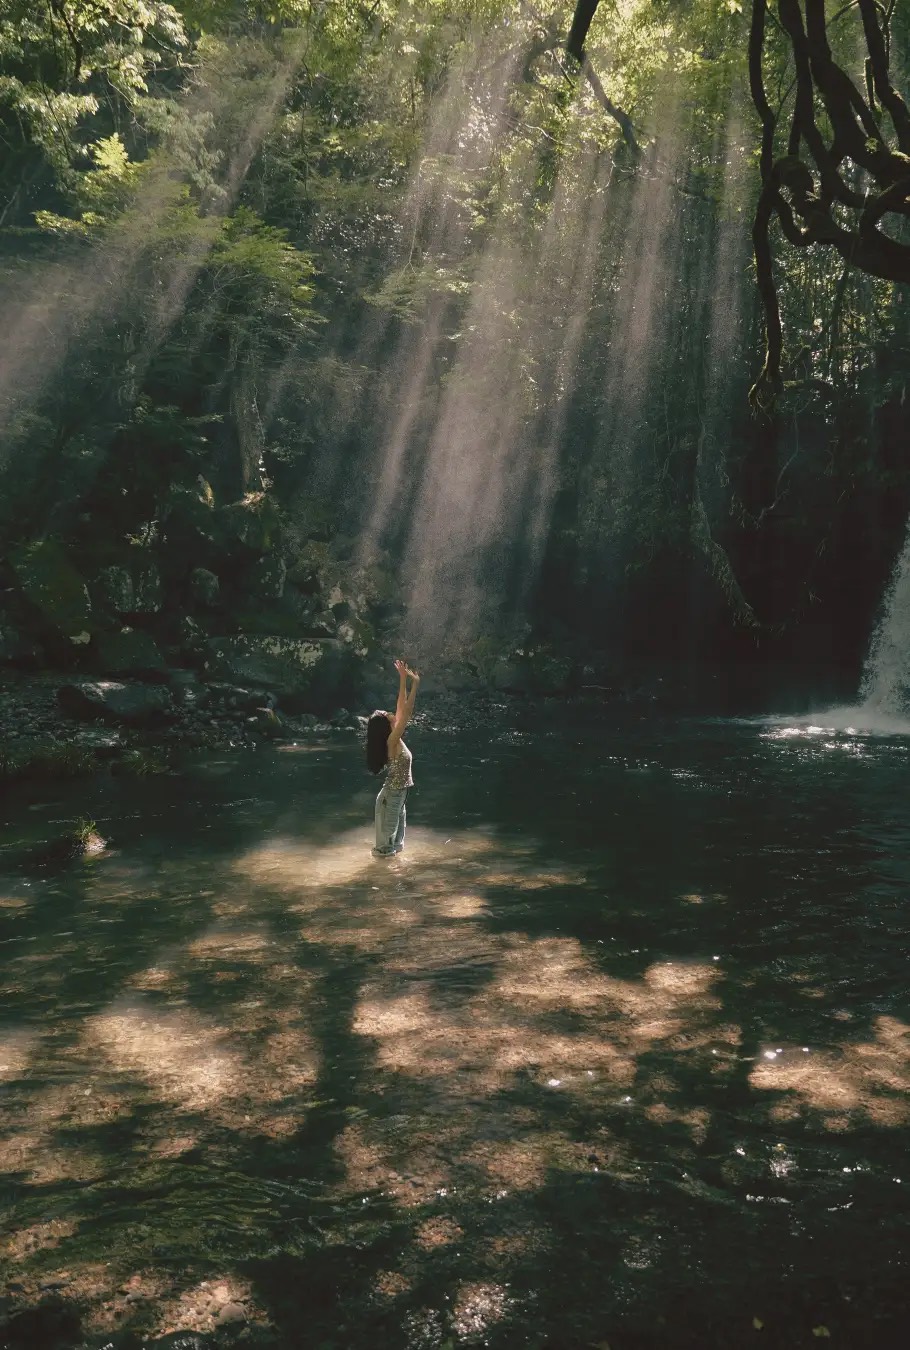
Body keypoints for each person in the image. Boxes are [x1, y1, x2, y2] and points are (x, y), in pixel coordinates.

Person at [366, 659, 419, 856]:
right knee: (385, 851)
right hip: (392, 797)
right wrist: (415, 684)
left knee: (397, 847)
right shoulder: (392, 741)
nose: (389, 712)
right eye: (385, 713)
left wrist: (403, 678)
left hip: (398, 795)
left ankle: (393, 876)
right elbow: (406, 712)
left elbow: (401, 706)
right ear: (384, 724)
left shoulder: (393, 737)